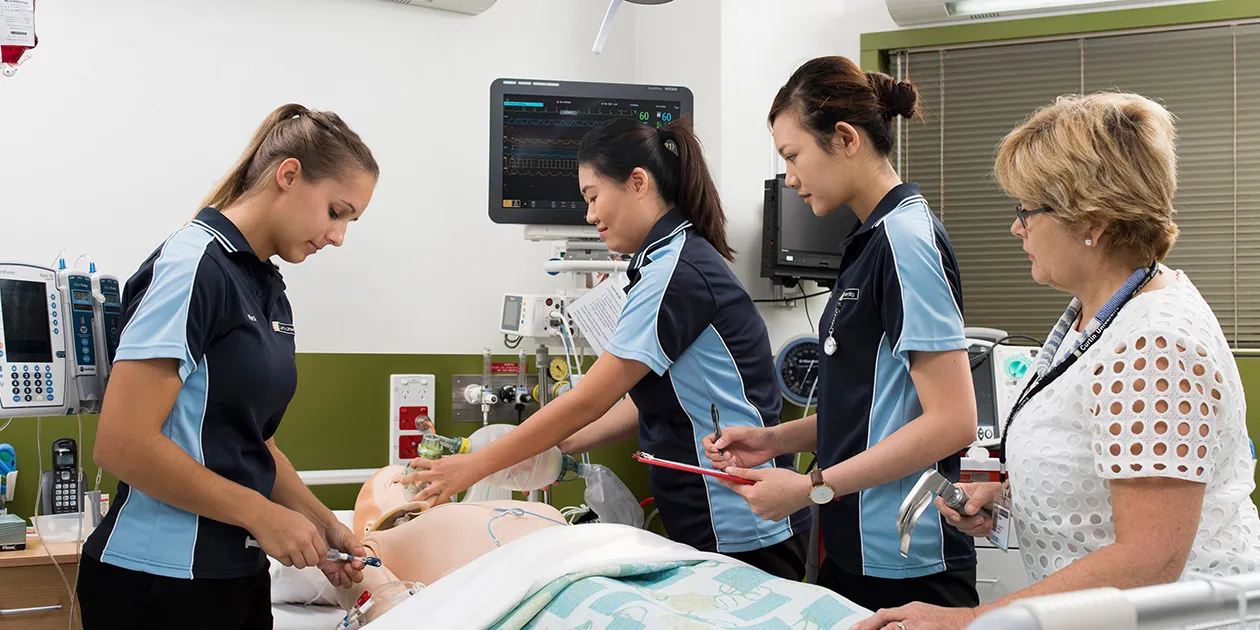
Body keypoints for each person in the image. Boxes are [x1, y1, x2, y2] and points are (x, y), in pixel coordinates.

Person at [854, 92, 1260, 630]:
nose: (1016, 227)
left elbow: (1150, 558)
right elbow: (1099, 468)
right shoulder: (1097, 313)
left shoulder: (1155, 346)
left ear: (1092, 219)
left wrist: (969, 621)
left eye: (1027, 210)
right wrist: (1007, 498)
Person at [404, 116, 812, 580]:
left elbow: (590, 399)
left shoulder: (675, 275)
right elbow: (659, 400)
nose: (589, 214)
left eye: (593, 196)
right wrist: (556, 446)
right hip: (719, 518)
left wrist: (471, 469)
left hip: (741, 522)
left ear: (638, 182)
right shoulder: (670, 261)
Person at [77, 103, 380, 629]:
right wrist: (262, 515)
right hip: (158, 582)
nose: (338, 237)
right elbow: (123, 442)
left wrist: (323, 525)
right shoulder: (192, 267)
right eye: (336, 212)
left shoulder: (266, 286)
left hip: (235, 578)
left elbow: (252, 445)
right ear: (289, 175)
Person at [704, 55, 979, 612]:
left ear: (846, 138)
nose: (790, 177)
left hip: (906, 563)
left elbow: (953, 422)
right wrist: (774, 442)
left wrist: (811, 488)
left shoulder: (906, 240)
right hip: (854, 549)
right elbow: (871, 410)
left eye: (793, 155)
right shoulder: (867, 241)